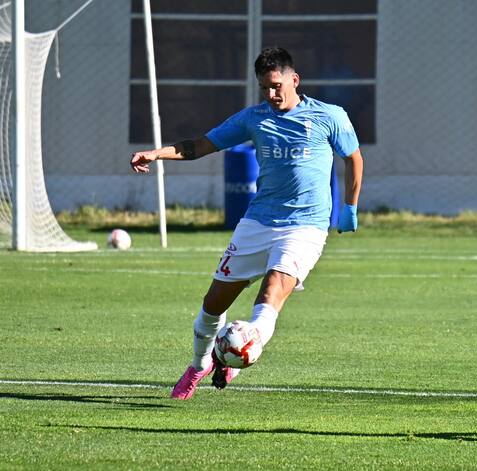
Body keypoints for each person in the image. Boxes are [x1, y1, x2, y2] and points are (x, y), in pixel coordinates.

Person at [130, 47, 364, 400]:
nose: (271, 95)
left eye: (276, 86)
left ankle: (240, 350)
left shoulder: (329, 116)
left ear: (294, 80)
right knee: (212, 306)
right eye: (264, 88)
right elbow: (200, 146)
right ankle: (199, 364)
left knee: (271, 293)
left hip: (305, 227)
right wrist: (156, 153)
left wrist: (350, 208)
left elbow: (353, 158)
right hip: (258, 222)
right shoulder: (254, 119)